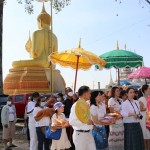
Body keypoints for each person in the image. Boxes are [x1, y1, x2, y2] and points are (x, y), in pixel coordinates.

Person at [69, 86, 96, 150]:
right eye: (89, 93)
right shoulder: (76, 105)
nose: (90, 94)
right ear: (85, 94)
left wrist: (92, 124)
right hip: (80, 135)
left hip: (89, 134)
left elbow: (87, 118)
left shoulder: (86, 104)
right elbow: (71, 121)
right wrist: (85, 122)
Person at [138, 84, 150, 149]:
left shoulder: (149, 98)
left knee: (148, 135)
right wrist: (148, 108)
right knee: (145, 134)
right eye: (149, 88)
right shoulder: (141, 99)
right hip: (143, 118)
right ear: (145, 90)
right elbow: (140, 109)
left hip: (148, 117)